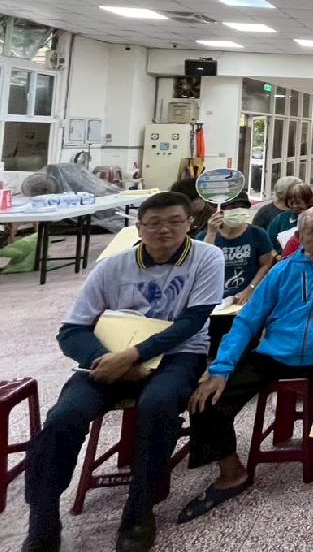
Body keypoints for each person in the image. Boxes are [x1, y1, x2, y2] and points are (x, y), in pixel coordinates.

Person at [23, 192, 224, 552]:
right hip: (110, 357)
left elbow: (193, 321)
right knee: (63, 417)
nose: (165, 230)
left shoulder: (206, 256)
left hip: (177, 355)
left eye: (175, 222)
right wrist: (104, 359)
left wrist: (134, 356)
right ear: (139, 228)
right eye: (154, 223)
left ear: (190, 223)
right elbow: (71, 331)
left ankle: (138, 512)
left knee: (158, 406)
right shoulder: (112, 268)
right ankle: (43, 518)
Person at [180, 206, 313, 521]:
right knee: (207, 398)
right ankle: (231, 472)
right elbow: (247, 321)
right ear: (299, 236)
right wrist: (220, 368)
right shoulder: (282, 270)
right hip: (276, 353)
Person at [201, 193, 274, 352]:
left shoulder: (257, 234)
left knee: (242, 348)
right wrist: (211, 233)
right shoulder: (206, 236)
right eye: (233, 207)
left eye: (243, 206)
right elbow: (201, 265)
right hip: (214, 304)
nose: (238, 210)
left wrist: (250, 289)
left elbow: (266, 264)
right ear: (221, 210)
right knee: (213, 348)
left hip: (243, 303)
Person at [265, 181, 313, 252]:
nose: (295, 206)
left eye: (298, 203)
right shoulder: (280, 219)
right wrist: (275, 255)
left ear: (308, 201)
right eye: (291, 203)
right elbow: (267, 242)